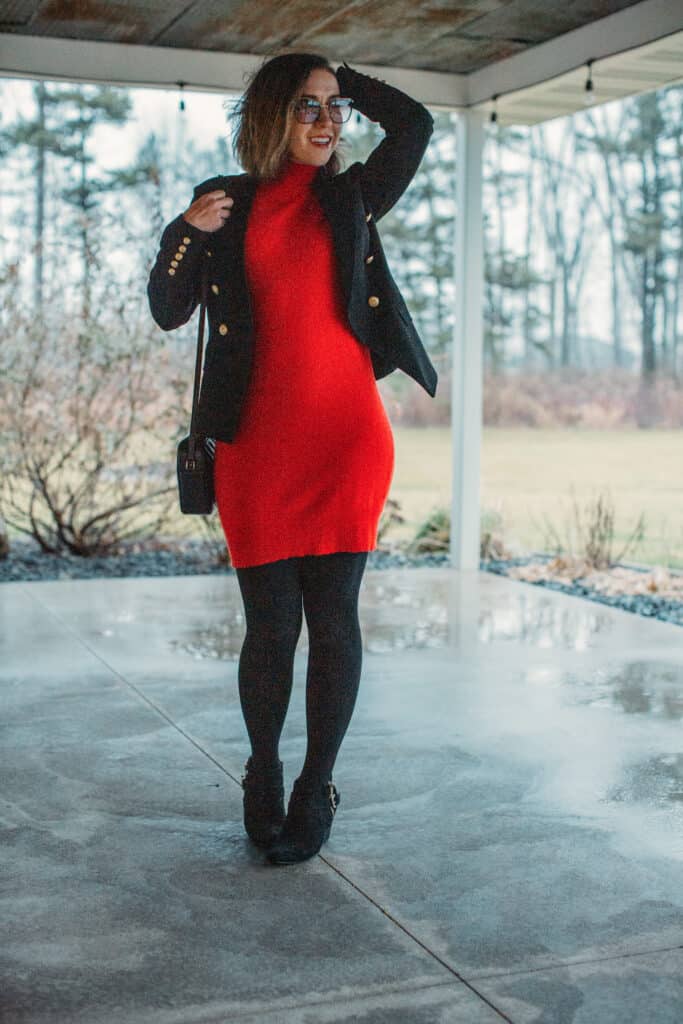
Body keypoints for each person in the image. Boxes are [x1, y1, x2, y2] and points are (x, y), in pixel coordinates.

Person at [148, 52, 437, 866]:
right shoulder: (226, 203)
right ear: (271, 114)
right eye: (307, 106)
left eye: (334, 108)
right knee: (270, 628)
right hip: (254, 448)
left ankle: (317, 785)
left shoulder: (351, 197)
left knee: (333, 621)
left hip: (346, 441)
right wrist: (183, 233)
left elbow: (414, 124)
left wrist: (345, 74)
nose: (327, 122)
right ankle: (263, 773)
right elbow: (168, 309)